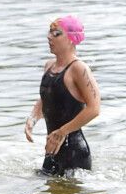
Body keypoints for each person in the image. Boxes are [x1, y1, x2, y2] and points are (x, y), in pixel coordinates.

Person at [24, 16, 101, 176]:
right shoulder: (49, 66)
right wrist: (32, 118)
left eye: (56, 33)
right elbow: (47, 97)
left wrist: (62, 132)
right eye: (49, 32)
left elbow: (94, 108)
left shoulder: (79, 69)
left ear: (72, 39)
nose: (49, 36)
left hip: (75, 154)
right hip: (51, 151)